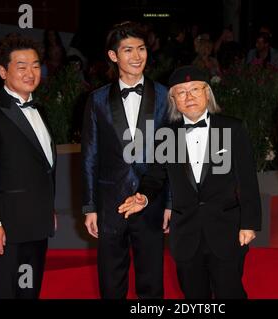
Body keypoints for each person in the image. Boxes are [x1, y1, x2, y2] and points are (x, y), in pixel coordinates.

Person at [118, 65, 262, 299]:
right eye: (181, 92)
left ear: (207, 93)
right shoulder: (166, 135)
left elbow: (247, 180)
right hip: (185, 233)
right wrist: (143, 197)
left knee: (231, 292)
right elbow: (155, 177)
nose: (189, 96)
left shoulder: (232, 127)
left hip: (227, 230)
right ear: (173, 99)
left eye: (195, 89)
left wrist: (249, 223)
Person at [81, 21, 170, 299]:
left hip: (152, 202)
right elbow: (90, 156)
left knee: (152, 282)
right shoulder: (97, 100)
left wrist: (170, 203)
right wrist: (90, 206)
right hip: (110, 203)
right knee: (111, 282)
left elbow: (172, 156)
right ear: (113, 56)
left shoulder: (166, 96)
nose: (136, 56)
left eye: (141, 49)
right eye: (128, 50)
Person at [0, 35, 57, 299]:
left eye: (35, 65)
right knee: (4, 293)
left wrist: (48, 208)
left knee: (29, 292)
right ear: (2, 71)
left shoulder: (39, 110)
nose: (30, 73)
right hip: (6, 228)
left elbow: (43, 167)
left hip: (37, 224)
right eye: (21, 66)